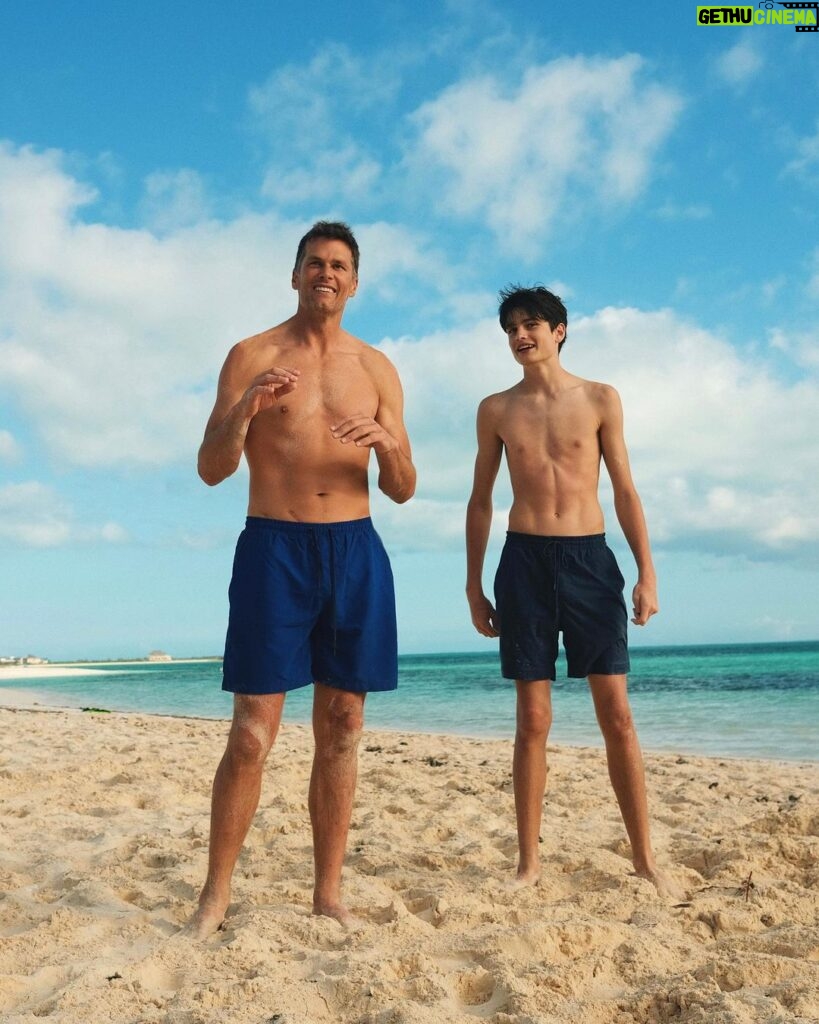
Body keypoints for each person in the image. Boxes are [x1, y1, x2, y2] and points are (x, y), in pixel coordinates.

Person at [187, 221, 416, 938]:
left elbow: (405, 488)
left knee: (344, 725)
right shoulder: (251, 355)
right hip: (273, 549)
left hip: (353, 548)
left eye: (339, 265)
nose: (326, 274)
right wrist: (246, 407)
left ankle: (326, 892)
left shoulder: (376, 368)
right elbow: (211, 466)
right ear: (294, 275)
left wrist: (390, 448)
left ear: (354, 282)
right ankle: (214, 896)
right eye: (314, 263)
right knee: (253, 734)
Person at [465, 284, 674, 895]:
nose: (520, 336)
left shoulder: (601, 398)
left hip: (590, 560)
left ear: (560, 330)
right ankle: (527, 866)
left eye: (532, 324)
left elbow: (626, 490)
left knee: (618, 716)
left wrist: (647, 573)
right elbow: (481, 500)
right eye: (511, 328)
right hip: (523, 562)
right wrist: (475, 586)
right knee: (532, 720)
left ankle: (645, 860)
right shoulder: (496, 409)